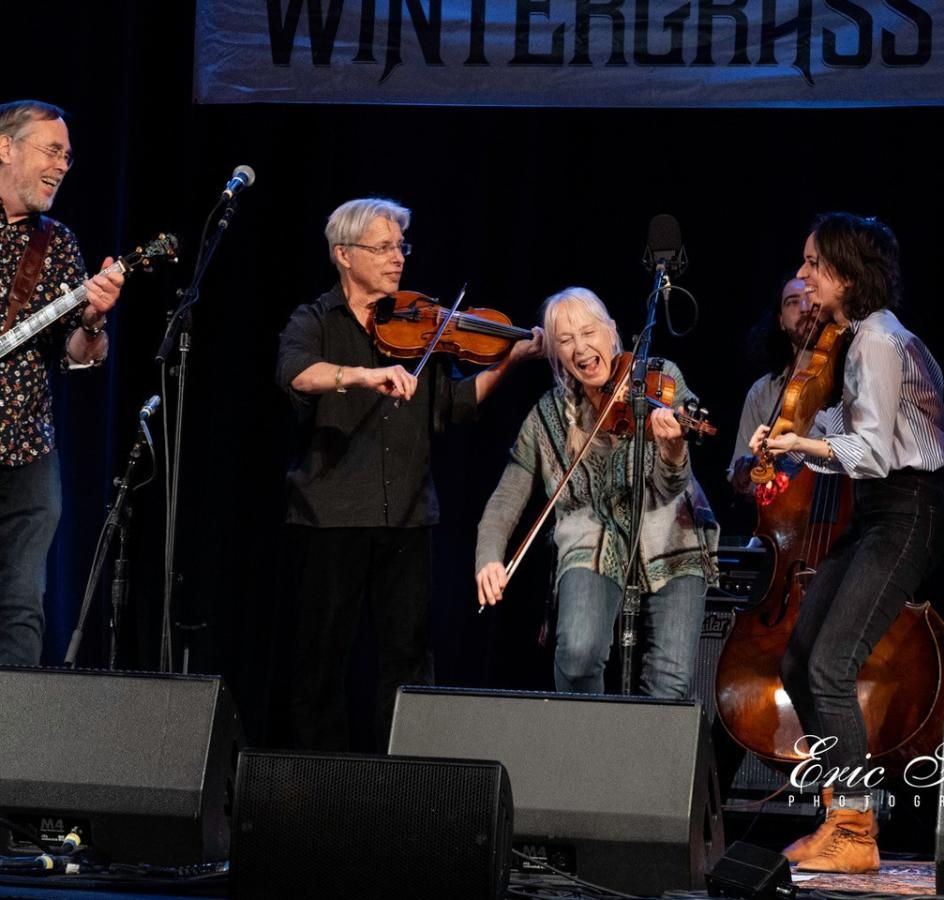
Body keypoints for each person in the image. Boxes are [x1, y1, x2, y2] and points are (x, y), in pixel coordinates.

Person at [276, 196, 542, 750]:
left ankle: (401, 787)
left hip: (408, 515)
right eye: (383, 247)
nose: (398, 257)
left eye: (401, 246)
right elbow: (297, 374)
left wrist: (508, 360)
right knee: (322, 659)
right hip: (330, 517)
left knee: (408, 659)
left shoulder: (419, 323)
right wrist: (365, 376)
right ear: (344, 255)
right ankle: (316, 784)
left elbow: (454, 404)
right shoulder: (314, 320)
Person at [751, 213, 944, 873]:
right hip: (876, 510)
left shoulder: (879, 341)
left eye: (813, 263)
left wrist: (800, 442)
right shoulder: (858, 339)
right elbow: (857, 433)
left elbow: (867, 451)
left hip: (906, 512)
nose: (803, 275)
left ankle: (857, 830)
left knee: (830, 664)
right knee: (799, 658)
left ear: (844, 272)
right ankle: (844, 812)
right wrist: (791, 437)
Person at [475, 287, 719, 699]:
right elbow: (507, 495)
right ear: (554, 352)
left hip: (672, 540)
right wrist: (489, 557)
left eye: (589, 333)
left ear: (612, 332)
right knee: (577, 654)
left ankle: (645, 763)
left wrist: (674, 447)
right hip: (590, 542)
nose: (581, 348)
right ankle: (592, 746)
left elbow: (670, 487)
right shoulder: (549, 413)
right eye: (565, 340)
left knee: (668, 683)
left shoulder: (661, 380)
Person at [0, 99, 124, 667]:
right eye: (52, 150)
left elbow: (79, 355)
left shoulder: (57, 244)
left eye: (67, 157)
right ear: (5, 147)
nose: (61, 165)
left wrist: (94, 319)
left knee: (23, 600)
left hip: (27, 447)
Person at [727, 275, 826, 496]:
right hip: (783, 520)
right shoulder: (762, 392)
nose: (803, 308)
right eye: (792, 302)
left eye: (811, 298)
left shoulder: (849, 378)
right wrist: (746, 474)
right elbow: (741, 478)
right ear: (781, 321)